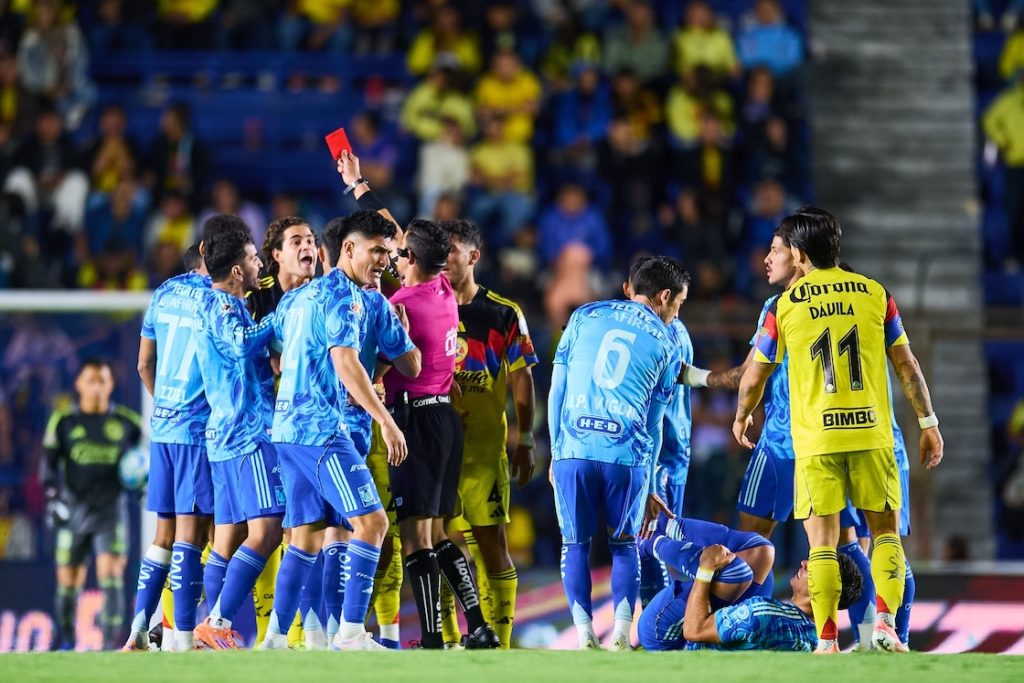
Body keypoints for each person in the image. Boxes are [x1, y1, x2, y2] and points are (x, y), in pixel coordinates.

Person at [733, 206, 944, 653]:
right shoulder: (874, 293)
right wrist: (928, 421)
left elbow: (754, 374)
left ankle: (827, 639)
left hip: (817, 439)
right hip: (873, 433)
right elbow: (907, 365)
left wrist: (741, 413)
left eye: (781, 249)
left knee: (823, 544)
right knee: (885, 536)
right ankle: (888, 630)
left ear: (800, 254)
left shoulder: (784, 305)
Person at [259, 209, 412, 652]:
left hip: (286, 427)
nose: (384, 259)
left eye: (388, 251)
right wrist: (386, 421)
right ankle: (350, 634)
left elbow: (275, 353)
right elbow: (346, 362)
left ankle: (272, 641)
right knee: (373, 523)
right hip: (322, 428)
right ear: (348, 249)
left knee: (305, 538)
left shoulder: (296, 299)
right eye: (377, 250)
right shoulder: (344, 298)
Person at [549, 255, 686, 650]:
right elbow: (655, 423)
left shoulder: (584, 315)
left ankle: (584, 635)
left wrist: (558, 451)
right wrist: (650, 481)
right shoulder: (667, 342)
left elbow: (557, 389)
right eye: (678, 305)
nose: (676, 314)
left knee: (574, 544)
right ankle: (623, 636)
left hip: (573, 447)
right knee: (624, 544)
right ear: (663, 297)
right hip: (626, 456)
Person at [387, 219, 499, 650]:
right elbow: (410, 242)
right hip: (446, 420)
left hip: (414, 421)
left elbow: (385, 365)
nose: (394, 257)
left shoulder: (401, 303)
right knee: (439, 533)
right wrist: (358, 187)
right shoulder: (444, 291)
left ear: (410, 259)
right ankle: (479, 625)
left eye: (399, 254)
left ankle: (432, 638)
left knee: (416, 538)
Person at [125, 222, 233, 652]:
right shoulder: (217, 298)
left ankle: (138, 631)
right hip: (195, 432)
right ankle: (180, 639)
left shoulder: (163, 293)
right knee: (194, 534)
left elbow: (142, 365)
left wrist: (166, 405)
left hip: (164, 429)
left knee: (162, 535)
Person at [442, 219, 538, 648]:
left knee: (491, 543)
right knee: (435, 544)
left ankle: (497, 641)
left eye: (451, 251)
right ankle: (442, 640)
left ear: (473, 257)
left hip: (483, 452)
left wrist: (526, 438)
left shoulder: (503, 313)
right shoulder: (422, 304)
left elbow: (522, 379)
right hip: (436, 449)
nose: (442, 259)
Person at [190, 225, 283, 651]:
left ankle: (210, 627)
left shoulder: (219, 304)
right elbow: (244, 344)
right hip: (247, 433)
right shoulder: (224, 306)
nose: (259, 263)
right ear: (235, 270)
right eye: (252, 258)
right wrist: (282, 316)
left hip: (224, 435)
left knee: (227, 534)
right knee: (266, 530)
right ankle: (218, 620)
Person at [41, 359, 142, 650]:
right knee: (68, 584)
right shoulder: (63, 422)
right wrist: (52, 498)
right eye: (91, 380)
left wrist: (143, 488)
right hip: (72, 511)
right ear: (79, 384)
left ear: (111, 385)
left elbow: (143, 466)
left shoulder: (127, 423)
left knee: (111, 577)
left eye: (103, 380)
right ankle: (68, 644)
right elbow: (47, 466)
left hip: (112, 513)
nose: (97, 386)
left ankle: (110, 647)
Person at [679, 545, 861, 651]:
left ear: (826, 589)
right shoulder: (821, 645)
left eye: (814, 568)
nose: (804, 563)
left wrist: (706, 568)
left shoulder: (764, 612)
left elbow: (694, 631)